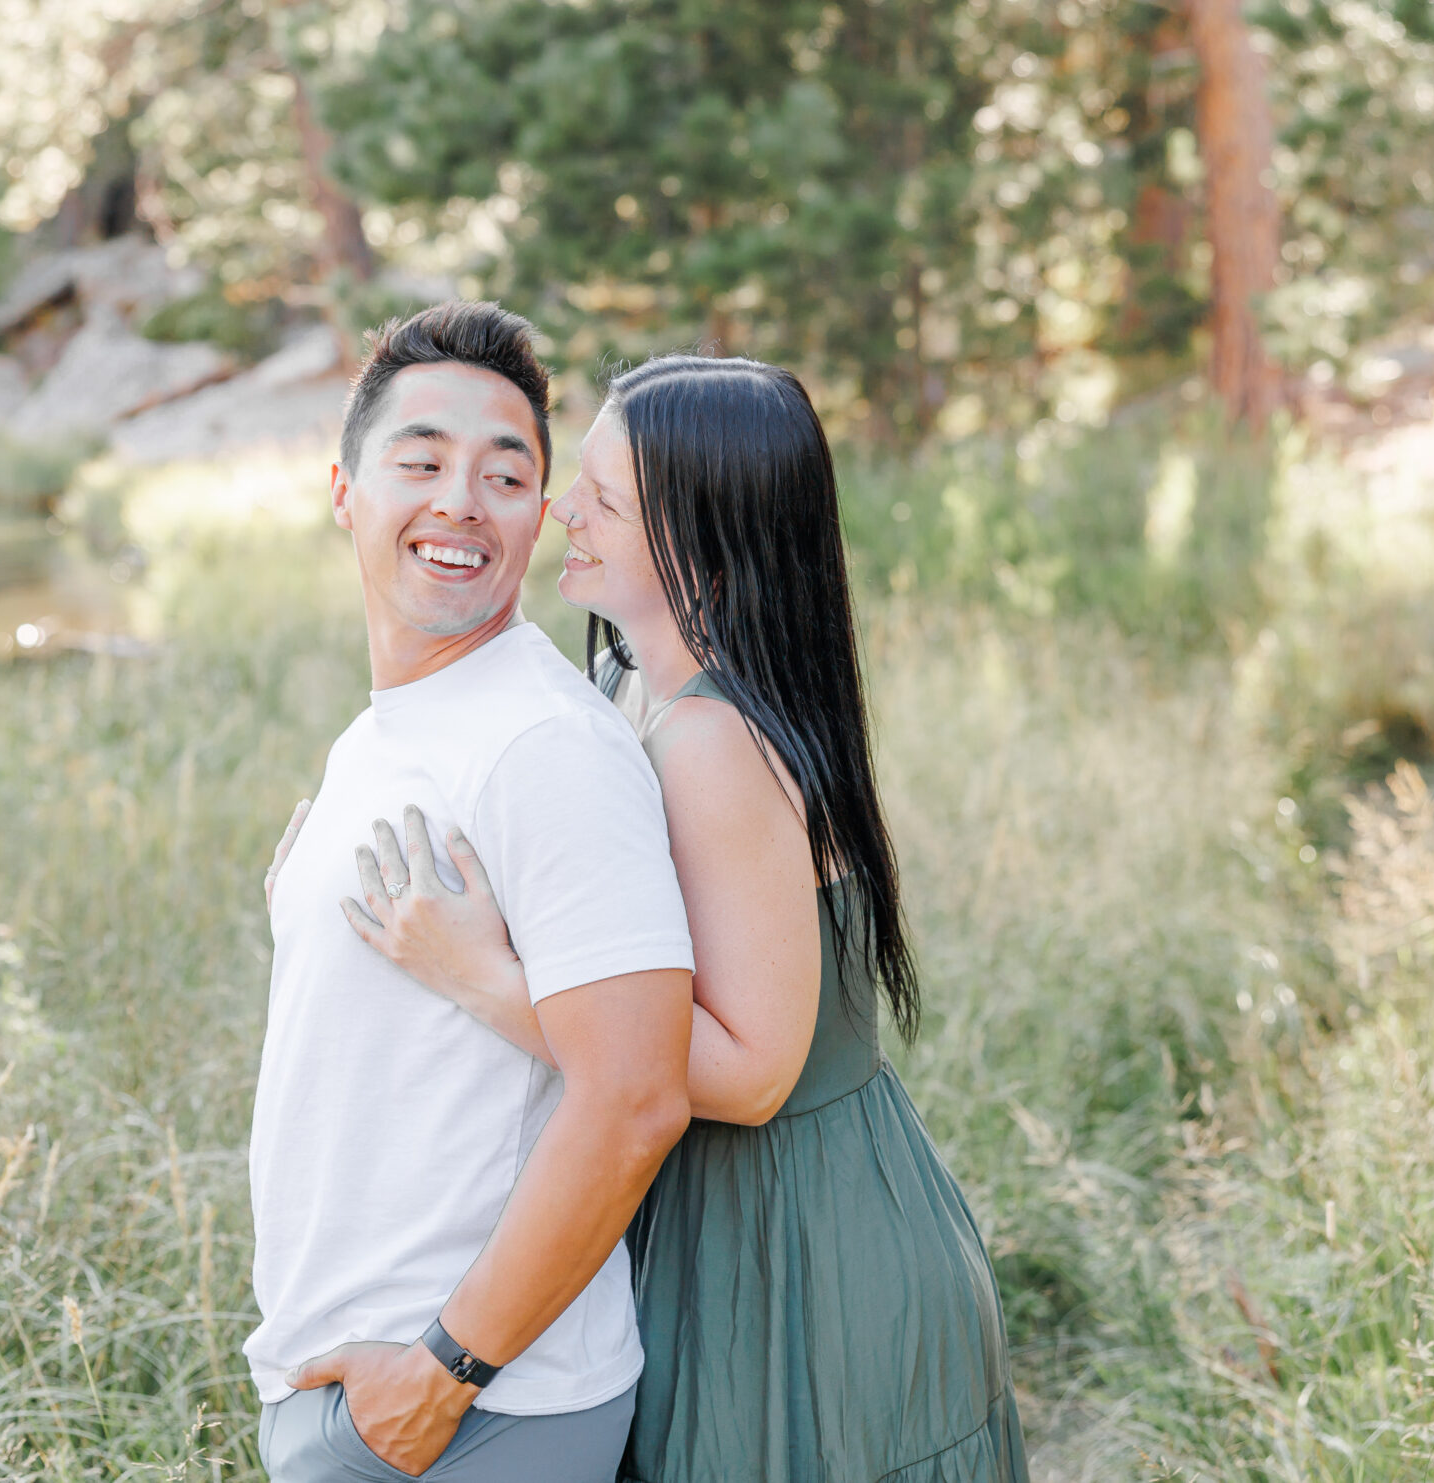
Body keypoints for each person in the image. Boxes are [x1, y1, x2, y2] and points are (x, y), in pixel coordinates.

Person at [335, 354, 1027, 1482]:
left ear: (701, 540)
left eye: (604, 500)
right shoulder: (628, 684)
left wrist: (480, 978)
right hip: (719, 1209)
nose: (563, 511)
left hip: (793, 1240)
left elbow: (754, 1074)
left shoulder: (711, 743)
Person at [245, 303, 697, 1482]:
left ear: (537, 520)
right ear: (344, 490)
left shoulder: (544, 745)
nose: (458, 500)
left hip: (478, 1412)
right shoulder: (391, 732)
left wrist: (443, 1376)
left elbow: (638, 1096)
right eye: (421, 461)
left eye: (504, 475)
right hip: (365, 1399)